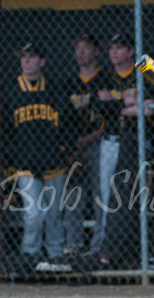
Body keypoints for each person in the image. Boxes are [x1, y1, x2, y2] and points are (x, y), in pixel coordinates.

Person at [3, 42, 71, 263]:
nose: (26, 61)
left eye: (31, 57)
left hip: (54, 163)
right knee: (33, 215)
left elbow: (70, 126)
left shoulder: (55, 91)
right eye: (23, 57)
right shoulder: (10, 92)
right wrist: (11, 161)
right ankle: (30, 257)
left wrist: (64, 151)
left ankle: (55, 258)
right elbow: (4, 130)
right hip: (25, 165)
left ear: (42, 61)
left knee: (54, 217)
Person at [94, 33, 154, 266]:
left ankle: (131, 251)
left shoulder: (140, 74)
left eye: (119, 48)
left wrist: (115, 104)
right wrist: (128, 105)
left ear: (130, 51)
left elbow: (148, 110)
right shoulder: (105, 76)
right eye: (111, 48)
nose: (114, 52)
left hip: (136, 145)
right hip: (110, 141)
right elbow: (100, 107)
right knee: (106, 197)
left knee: (135, 198)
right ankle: (103, 251)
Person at [63, 33, 108, 258]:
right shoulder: (70, 82)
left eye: (86, 48)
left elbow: (109, 118)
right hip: (76, 147)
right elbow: (64, 119)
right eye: (77, 48)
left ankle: (97, 247)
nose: (80, 53)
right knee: (73, 197)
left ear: (96, 52)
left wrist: (92, 137)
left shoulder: (105, 79)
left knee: (101, 197)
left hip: (100, 144)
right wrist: (72, 146)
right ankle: (74, 244)